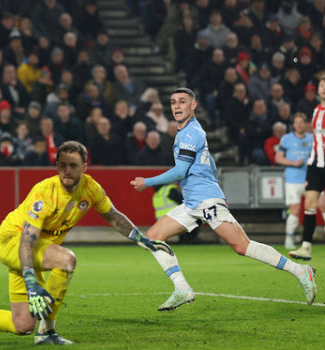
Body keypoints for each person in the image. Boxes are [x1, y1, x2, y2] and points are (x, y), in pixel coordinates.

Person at [0, 141, 173, 344]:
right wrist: (32, 281)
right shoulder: (44, 193)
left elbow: (112, 214)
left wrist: (140, 237)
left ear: (84, 167)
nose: (67, 171)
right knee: (66, 259)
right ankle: (47, 331)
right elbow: (26, 240)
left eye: (73, 165)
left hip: (36, 249)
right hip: (13, 241)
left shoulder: (90, 188)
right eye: (62, 165)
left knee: (22, 325)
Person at [130, 88, 317, 311]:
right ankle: (182, 288)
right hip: (193, 202)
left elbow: (180, 171)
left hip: (205, 201)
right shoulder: (187, 132)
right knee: (152, 237)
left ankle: (300, 271)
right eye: (173, 102)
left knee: (242, 246)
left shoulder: (191, 133)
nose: (177, 106)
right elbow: (210, 162)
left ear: (193, 105)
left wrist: (147, 182)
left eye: (182, 102)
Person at [289, 77, 325, 260]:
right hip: (315, 164)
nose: (323, 89)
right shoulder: (317, 110)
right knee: (310, 206)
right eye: (321, 85)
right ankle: (306, 247)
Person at [274, 113, 312, 250]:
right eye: (297, 122)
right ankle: (288, 239)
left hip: (310, 179)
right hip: (292, 180)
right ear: (294, 125)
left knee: (321, 205)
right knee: (295, 210)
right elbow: (278, 158)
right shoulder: (286, 139)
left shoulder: (312, 139)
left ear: (306, 124)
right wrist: (293, 163)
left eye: (302, 122)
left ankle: (306, 240)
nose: (299, 125)